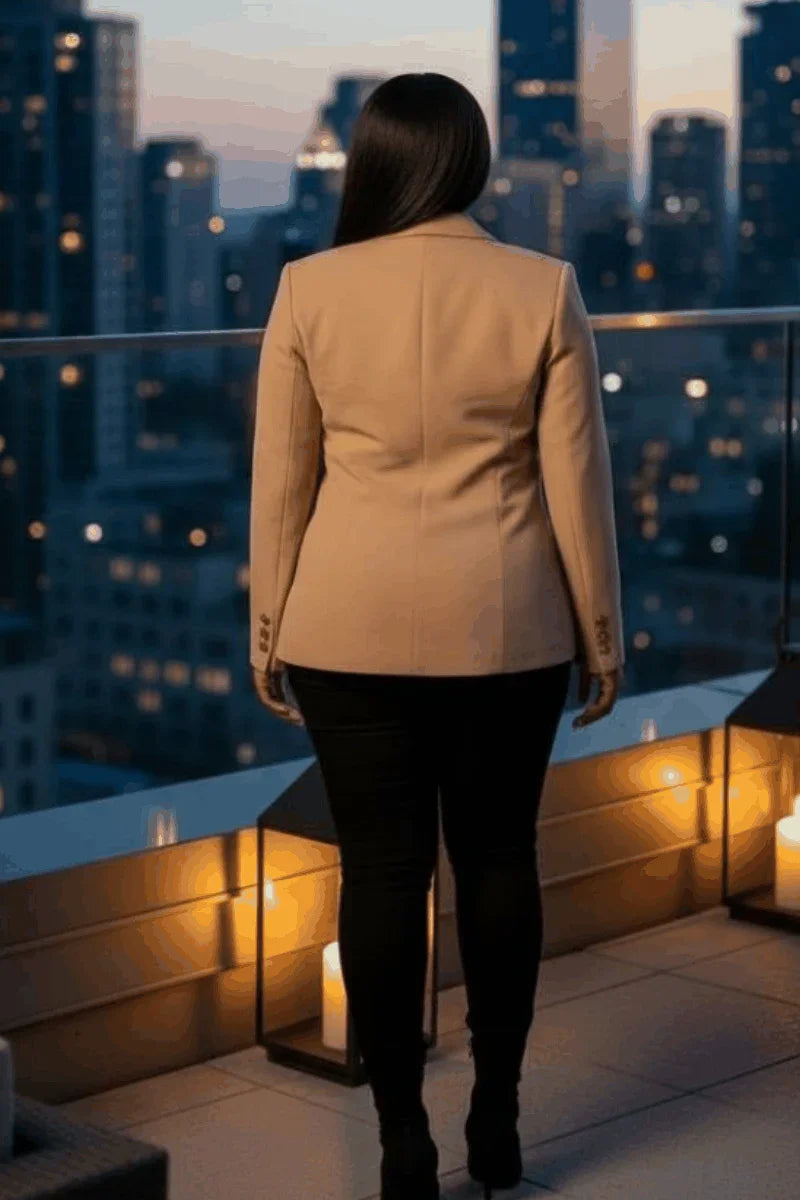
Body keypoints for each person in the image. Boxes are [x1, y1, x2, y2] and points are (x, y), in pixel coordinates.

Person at [249, 72, 624, 1200]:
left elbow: (281, 484)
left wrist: (270, 626)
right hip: (504, 627)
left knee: (379, 870)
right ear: (471, 161)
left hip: (343, 625)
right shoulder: (540, 286)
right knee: (500, 860)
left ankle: (400, 1138)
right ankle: (496, 1117)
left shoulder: (307, 288)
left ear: (371, 161)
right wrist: (600, 636)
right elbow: (579, 485)